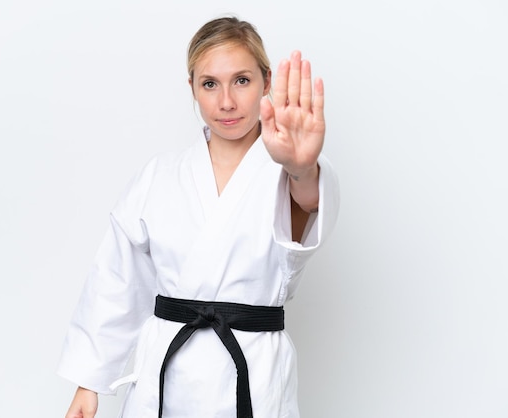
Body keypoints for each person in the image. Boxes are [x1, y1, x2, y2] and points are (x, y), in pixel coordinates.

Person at [58, 15, 339, 418]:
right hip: (167, 376)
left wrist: (301, 168)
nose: (226, 101)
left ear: (265, 80)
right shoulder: (159, 176)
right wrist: (89, 382)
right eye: (210, 84)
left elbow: (310, 201)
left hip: (252, 378)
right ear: (192, 87)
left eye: (241, 80)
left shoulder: (287, 169)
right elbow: (116, 280)